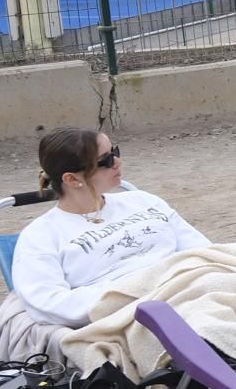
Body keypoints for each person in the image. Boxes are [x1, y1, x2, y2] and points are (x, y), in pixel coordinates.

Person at [11, 129, 209, 329]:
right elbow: (50, 304)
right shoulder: (41, 236)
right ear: (72, 179)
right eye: (105, 161)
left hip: (196, 289)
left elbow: (204, 252)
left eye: (115, 152)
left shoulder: (143, 201)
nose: (117, 162)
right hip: (138, 315)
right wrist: (142, 291)